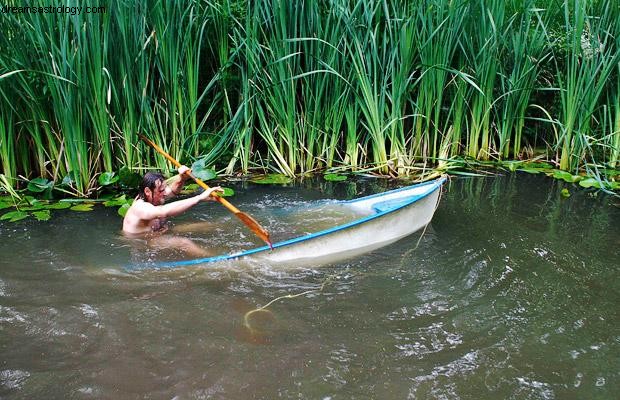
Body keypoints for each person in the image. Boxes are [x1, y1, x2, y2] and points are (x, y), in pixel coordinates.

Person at [122, 166, 223, 256]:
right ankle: (214, 258)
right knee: (183, 242)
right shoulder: (140, 207)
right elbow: (163, 211)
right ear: (147, 191)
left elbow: (173, 191)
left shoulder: (154, 196)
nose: (165, 193)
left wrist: (182, 178)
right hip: (143, 241)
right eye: (161, 191)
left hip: (157, 232)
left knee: (203, 225)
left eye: (164, 189)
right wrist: (199, 198)